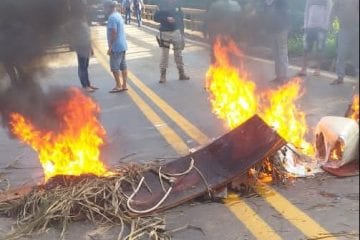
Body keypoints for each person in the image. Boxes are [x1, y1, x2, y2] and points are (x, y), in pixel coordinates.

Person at [154, 0, 189, 83]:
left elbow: (181, 19)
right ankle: (163, 76)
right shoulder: (160, 4)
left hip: (176, 32)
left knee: (178, 54)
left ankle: (181, 74)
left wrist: (182, 34)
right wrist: (166, 19)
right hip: (165, 32)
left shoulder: (177, 4)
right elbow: (155, 17)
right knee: (164, 55)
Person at [297, 0, 332, 77]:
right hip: (310, 26)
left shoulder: (327, 1)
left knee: (320, 49)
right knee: (306, 49)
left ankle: (318, 69)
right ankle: (304, 68)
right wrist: (305, 25)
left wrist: (325, 27)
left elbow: (329, 14)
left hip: (321, 28)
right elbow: (306, 12)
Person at [330, 0, 359, 85]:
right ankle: (340, 77)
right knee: (341, 53)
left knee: (357, 54)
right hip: (344, 28)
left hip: (357, 28)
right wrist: (330, 22)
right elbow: (333, 10)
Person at [105, 1, 129, 92]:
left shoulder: (111, 18)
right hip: (123, 45)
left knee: (114, 67)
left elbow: (114, 32)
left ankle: (118, 85)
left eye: (105, 8)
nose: (105, 10)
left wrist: (110, 47)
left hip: (116, 46)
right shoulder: (118, 15)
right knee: (123, 66)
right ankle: (124, 85)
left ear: (109, 8)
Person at [264, 0, 290, 83]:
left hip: (281, 29)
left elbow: (285, 12)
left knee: (282, 53)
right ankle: (279, 76)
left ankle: (284, 77)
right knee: (276, 54)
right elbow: (266, 13)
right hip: (272, 29)